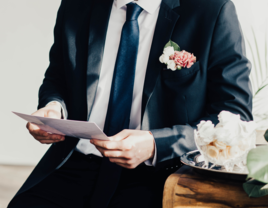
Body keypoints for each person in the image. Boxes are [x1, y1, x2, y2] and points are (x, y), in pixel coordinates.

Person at [8, 0, 253, 207]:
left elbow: (235, 114)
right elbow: (58, 77)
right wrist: (54, 106)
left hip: (159, 174)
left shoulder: (211, 9)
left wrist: (156, 143)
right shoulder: (77, 4)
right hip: (76, 160)